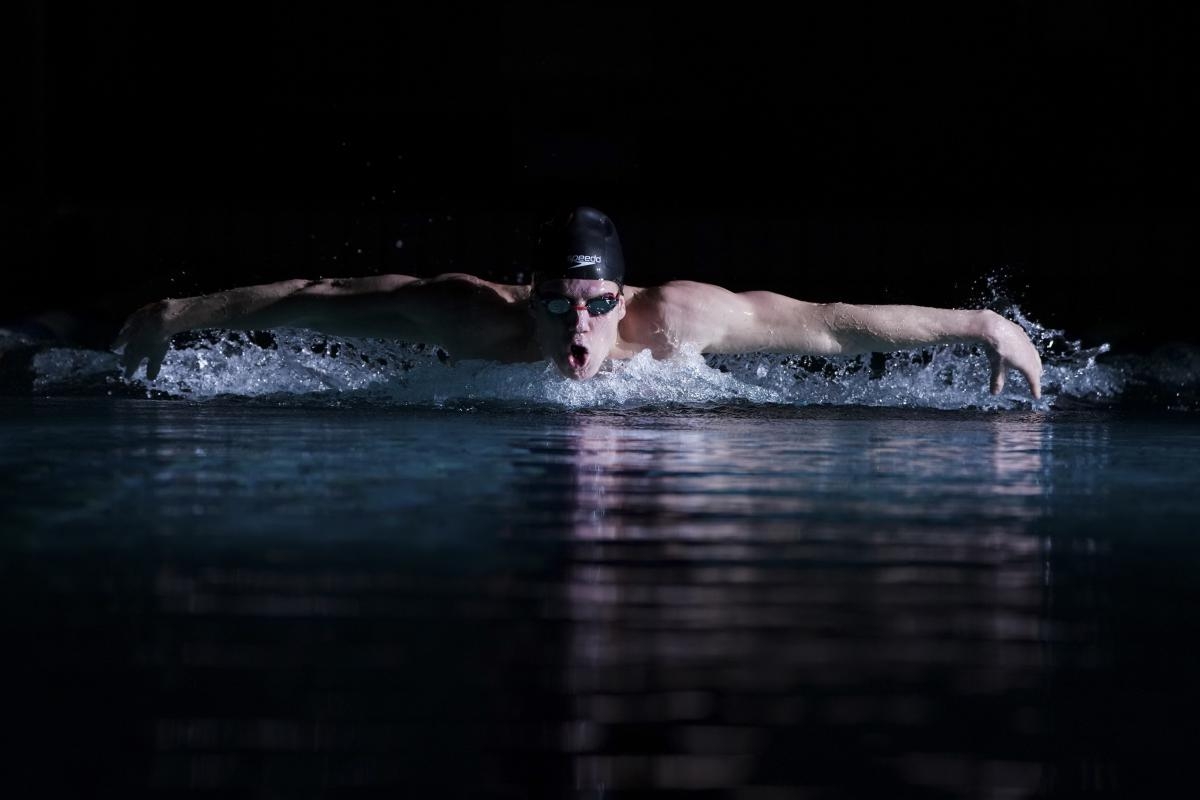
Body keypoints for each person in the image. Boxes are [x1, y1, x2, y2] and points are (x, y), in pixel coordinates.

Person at [114, 207, 1043, 398]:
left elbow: (837, 324)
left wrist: (983, 324)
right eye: (558, 307)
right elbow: (312, 300)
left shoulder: (677, 318)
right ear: (530, 297)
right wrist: (180, 313)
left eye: (596, 304)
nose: (580, 328)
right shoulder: (468, 313)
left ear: (623, 293)